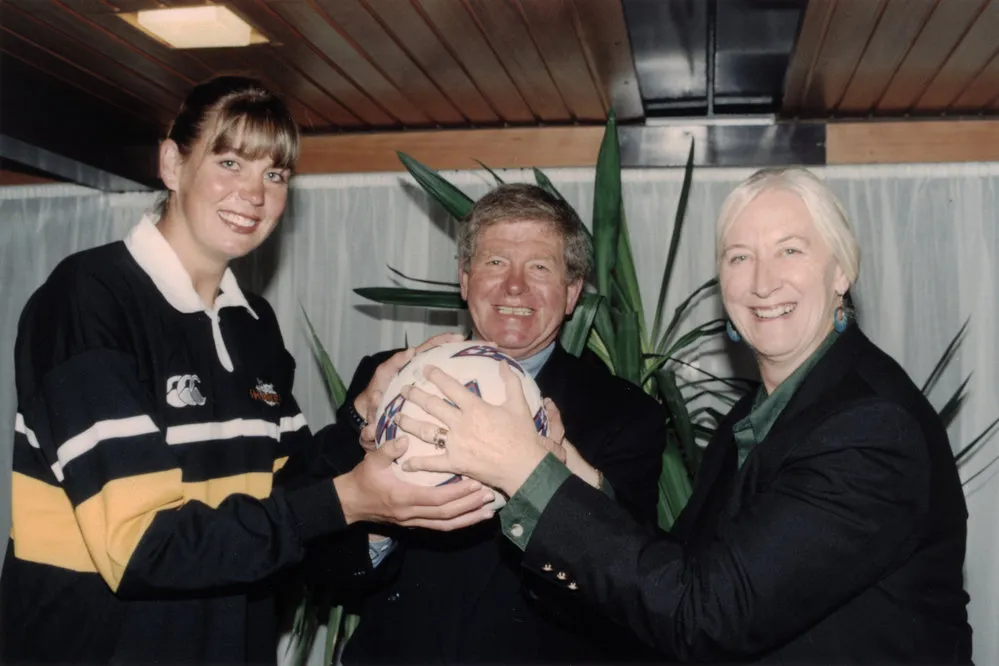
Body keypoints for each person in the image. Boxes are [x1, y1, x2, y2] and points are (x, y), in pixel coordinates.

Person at [0, 76, 494, 666]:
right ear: (172, 163)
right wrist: (348, 500)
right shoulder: (88, 299)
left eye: (275, 175)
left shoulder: (252, 321)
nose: (254, 195)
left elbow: (287, 496)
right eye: (230, 161)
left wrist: (365, 415)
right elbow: (140, 548)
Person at [398, 168, 974, 663]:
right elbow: (681, 568)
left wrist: (526, 471)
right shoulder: (753, 416)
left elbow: (708, 614)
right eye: (739, 257)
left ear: (841, 271)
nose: (763, 281)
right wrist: (583, 483)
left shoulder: (869, 426)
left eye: (791, 250)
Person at [336, 183, 668, 664]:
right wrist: (378, 522)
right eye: (495, 263)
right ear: (465, 279)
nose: (515, 286)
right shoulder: (386, 381)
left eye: (539, 266)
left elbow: (632, 592)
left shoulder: (626, 415)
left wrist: (559, 496)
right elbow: (324, 564)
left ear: (572, 292)